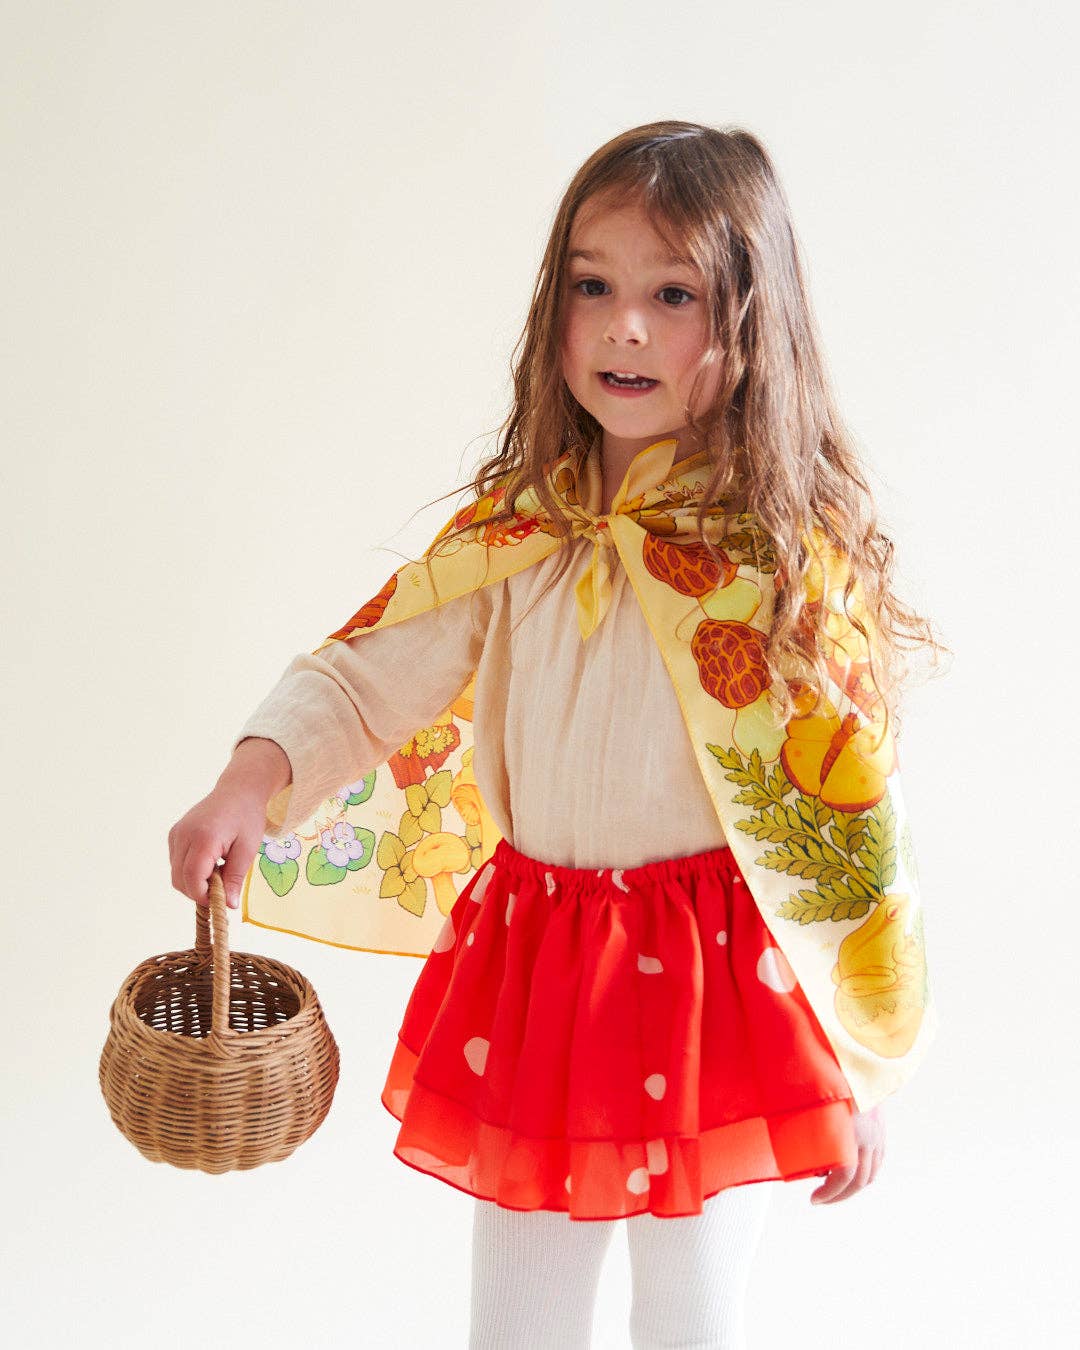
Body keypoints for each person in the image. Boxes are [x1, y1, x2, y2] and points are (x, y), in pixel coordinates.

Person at [168, 121, 946, 1349]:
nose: (624, 325)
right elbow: (368, 675)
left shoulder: (780, 565)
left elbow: (845, 825)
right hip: (541, 968)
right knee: (519, 1320)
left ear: (752, 325)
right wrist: (250, 781)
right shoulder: (524, 532)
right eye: (594, 286)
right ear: (556, 311)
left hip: (719, 990)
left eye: (672, 293)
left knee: (689, 1311)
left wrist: (858, 1059)